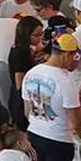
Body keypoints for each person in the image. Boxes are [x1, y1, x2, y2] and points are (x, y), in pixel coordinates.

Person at [22, 32, 81, 160]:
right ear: (67, 54)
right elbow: (75, 123)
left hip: (34, 134)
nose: (73, 61)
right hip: (59, 140)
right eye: (74, 56)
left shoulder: (31, 73)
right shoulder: (66, 81)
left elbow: (27, 111)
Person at [9, 16, 44, 131]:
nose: (41, 38)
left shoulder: (26, 50)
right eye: (36, 35)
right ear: (25, 35)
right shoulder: (20, 53)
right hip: (21, 98)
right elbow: (20, 82)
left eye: (41, 34)